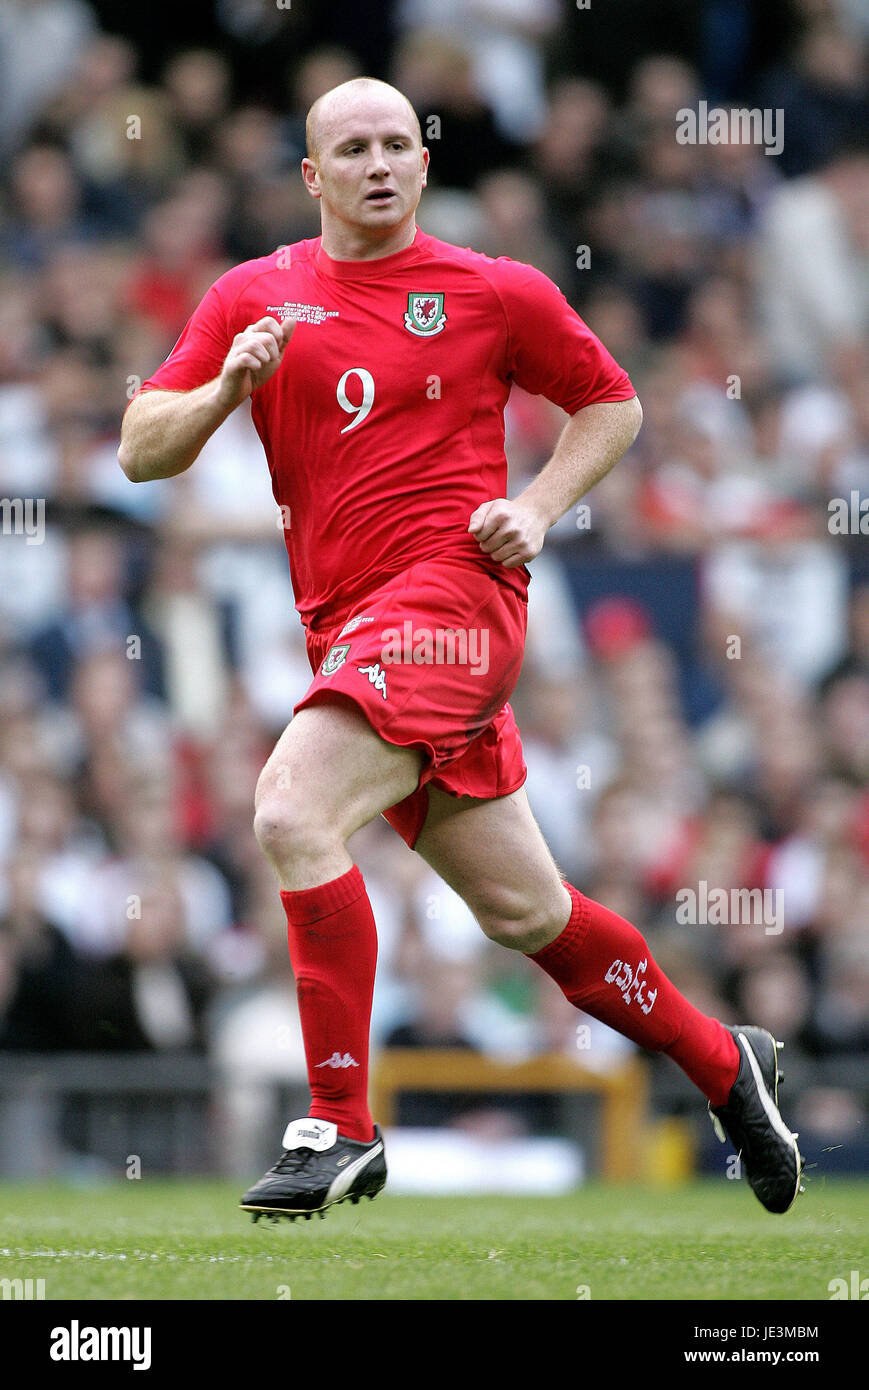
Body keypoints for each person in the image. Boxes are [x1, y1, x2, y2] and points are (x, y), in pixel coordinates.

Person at [118, 77, 802, 1220]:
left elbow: (612, 402)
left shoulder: (491, 291)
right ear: (311, 176)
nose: (379, 161)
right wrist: (226, 385)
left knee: (289, 809)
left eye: (398, 143)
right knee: (528, 916)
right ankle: (726, 1065)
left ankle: (337, 1121)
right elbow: (143, 447)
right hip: (351, 632)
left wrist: (535, 508)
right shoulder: (254, 295)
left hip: (455, 607)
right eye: (352, 147)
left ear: (423, 167)